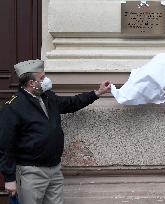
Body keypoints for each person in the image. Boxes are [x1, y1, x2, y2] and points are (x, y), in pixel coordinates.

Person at [0, 59, 111, 204]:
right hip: (31, 172)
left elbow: (71, 103)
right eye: (42, 78)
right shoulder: (13, 107)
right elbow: (5, 145)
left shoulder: (47, 97)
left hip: (54, 169)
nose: (46, 80)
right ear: (31, 83)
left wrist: (97, 93)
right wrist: (9, 178)